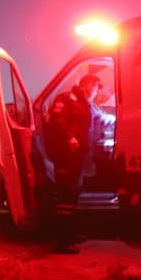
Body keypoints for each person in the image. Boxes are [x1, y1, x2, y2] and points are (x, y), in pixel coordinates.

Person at [46, 73, 116, 253]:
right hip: (65, 155)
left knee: (73, 195)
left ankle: (69, 234)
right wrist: (70, 138)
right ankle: (61, 242)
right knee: (65, 195)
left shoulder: (88, 105)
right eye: (95, 87)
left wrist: (122, 119)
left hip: (79, 157)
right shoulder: (66, 99)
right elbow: (58, 119)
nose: (96, 91)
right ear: (87, 85)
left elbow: (103, 119)